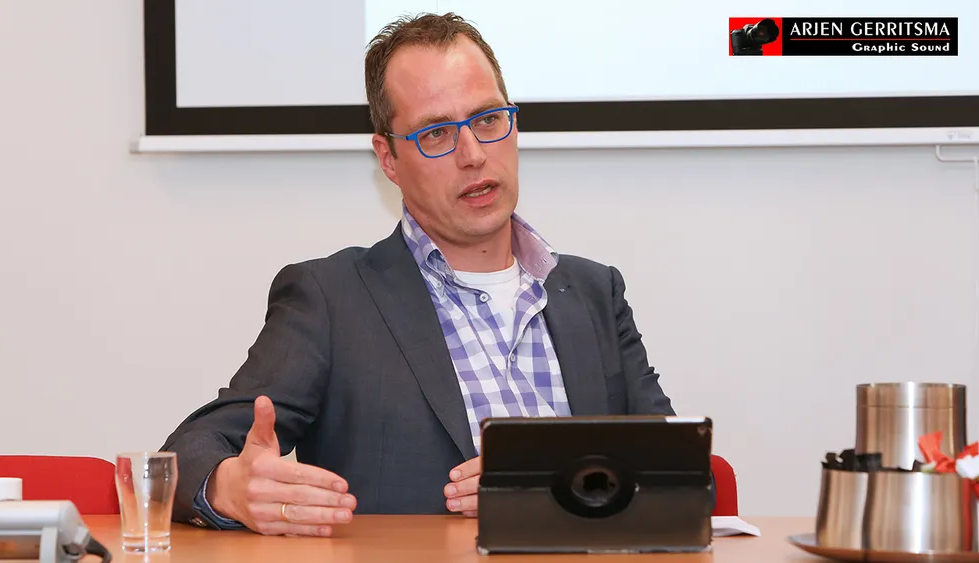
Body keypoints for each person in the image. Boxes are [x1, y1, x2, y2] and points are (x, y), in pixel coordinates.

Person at [159, 12, 684, 538]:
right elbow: (187, 452)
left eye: (488, 120)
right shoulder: (332, 300)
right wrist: (229, 487)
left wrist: (559, 477)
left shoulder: (594, 292)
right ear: (388, 158)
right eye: (437, 133)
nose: (473, 155)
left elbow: (678, 469)